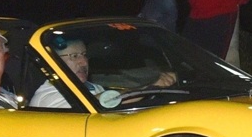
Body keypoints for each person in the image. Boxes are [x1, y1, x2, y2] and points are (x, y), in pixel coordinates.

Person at [30, 37, 176, 109]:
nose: (83, 62)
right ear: (55, 62)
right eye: (74, 56)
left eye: (84, 54)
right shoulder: (47, 97)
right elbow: (97, 102)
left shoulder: (93, 88)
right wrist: (152, 86)